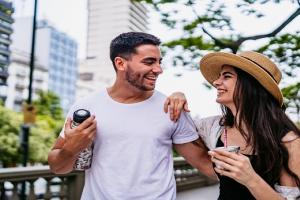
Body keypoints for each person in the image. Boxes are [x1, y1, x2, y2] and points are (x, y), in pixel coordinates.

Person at [48, 32, 215, 200]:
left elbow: (206, 165)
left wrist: (242, 180)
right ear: (120, 63)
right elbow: (57, 167)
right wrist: (72, 147)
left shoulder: (172, 108)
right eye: (149, 62)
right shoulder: (86, 107)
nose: (158, 70)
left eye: (159, 62)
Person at [166, 51, 300, 199]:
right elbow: (177, 125)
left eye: (227, 76)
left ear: (251, 84)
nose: (216, 82)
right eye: (219, 76)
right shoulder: (213, 128)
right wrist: (178, 96)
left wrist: (251, 179)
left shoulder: (289, 141)